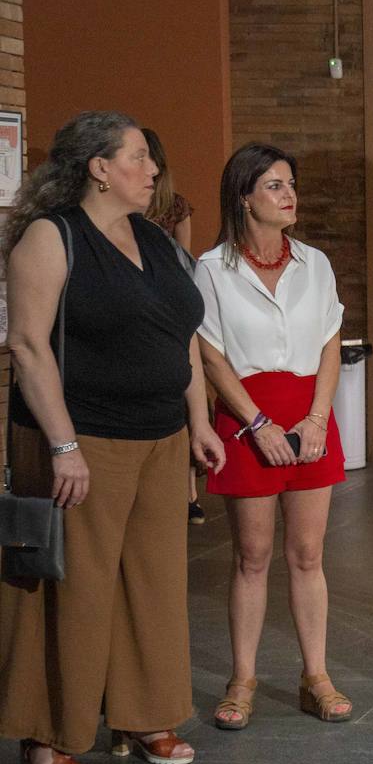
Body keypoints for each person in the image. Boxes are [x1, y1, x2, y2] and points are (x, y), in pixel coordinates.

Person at [0, 111, 225, 764]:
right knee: (74, 587)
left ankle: (144, 714)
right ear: (98, 167)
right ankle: (49, 734)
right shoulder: (50, 236)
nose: (152, 169)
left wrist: (200, 423)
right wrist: (64, 444)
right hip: (79, 437)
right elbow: (31, 348)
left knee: (153, 582)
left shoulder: (153, 239)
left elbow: (183, 331)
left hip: (161, 433)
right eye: (137, 158)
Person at [195, 143, 352, 731]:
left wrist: (317, 419)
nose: (290, 196)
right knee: (252, 556)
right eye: (275, 186)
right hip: (247, 420)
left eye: (291, 184)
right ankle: (242, 679)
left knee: (308, 554)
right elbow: (211, 356)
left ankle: (316, 677)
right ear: (244, 197)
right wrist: (257, 424)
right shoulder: (212, 269)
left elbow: (332, 342)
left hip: (311, 417)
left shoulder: (316, 263)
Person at [142, 126, 205, 526]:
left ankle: (189, 492)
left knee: (185, 406)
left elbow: (185, 260)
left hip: (170, 309)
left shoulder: (173, 207)